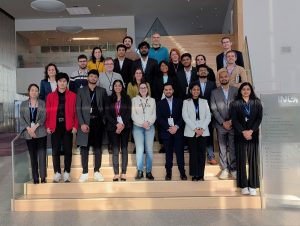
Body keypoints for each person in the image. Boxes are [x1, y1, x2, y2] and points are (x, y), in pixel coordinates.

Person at [230, 82, 262, 196]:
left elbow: (259, 118)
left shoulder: (257, 103)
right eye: (243, 89)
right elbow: (234, 120)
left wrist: (251, 131)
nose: (246, 91)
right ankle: (243, 185)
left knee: (253, 160)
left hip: (253, 134)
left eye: (248, 89)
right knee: (241, 160)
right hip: (240, 134)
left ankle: (253, 185)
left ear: (251, 91)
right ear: (240, 91)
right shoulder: (235, 103)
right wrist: (243, 131)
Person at [46, 72, 78, 183]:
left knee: (68, 150)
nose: (62, 83)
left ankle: (67, 173)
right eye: (60, 81)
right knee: (55, 151)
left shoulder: (73, 96)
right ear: (57, 82)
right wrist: (47, 126)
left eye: (64, 81)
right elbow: (47, 113)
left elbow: (76, 113)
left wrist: (75, 126)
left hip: (68, 126)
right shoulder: (50, 96)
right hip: (55, 126)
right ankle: (57, 173)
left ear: (67, 82)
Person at [76, 69, 107, 182]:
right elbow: (78, 108)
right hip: (85, 123)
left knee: (98, 148)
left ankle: (97, 171)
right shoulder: (81, 91)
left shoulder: (102, 91)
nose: (93, 78)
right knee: (84, 148)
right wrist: (82, 123)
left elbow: (105, 107)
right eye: (91, 76)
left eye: (95, 77)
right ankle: (84, 172)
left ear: (97, 79)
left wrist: (103, 121)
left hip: (98, 122)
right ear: (88, 77)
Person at [210, 70, 238, 179]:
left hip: (233, 124)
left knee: (232, 147)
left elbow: (238, 106)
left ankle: (234, 168)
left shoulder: (236, 91)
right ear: (219, 79)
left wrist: (231, 121)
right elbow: (214, 109)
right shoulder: (214, 92)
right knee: (222, 148)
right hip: (220, 125)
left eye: (225, 76)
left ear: (229, 77)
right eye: (221, 77)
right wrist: (222, 122)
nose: (224, 78)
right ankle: (225, 169)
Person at [156, 83, 187, 181]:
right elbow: (159, 118)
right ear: (164, 91)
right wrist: (169, 127)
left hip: (178, 131)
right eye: (166, 90)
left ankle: (182, 172)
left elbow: (183, 116)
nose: (168, 91)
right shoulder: (160, 103)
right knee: (168, 153)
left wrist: (176, 127)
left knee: (179, 153)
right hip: (166, 132)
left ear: (173, 90)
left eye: (170, 89)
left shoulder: (180, 102)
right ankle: (168, 173)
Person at [182, 82, 211, 181]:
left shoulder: (204, 101)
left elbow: (208, 116)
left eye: (198, 90)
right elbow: (185, 116)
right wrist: (195, 129)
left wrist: (201, 129)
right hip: (191, 131)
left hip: (203, 131)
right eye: (194, 89)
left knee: (202, 153)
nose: (196, 91)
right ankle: (194, 174)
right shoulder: (186, 102)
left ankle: (201, 174)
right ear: (190, 91)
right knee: (193, 153)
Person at [20, 84, 47, 184]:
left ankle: (43, 178)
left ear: (38, 92)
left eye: (36, 90)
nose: (34, 92)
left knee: (42, 155)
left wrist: (34, 127)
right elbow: (22, 118)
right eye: (32, 90)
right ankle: (35, 178)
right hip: (28, 133)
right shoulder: (23, 104)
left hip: (40, 133)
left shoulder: (42, 103)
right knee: (33, 156)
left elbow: (44, 117)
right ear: (29, 91)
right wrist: (29, 130)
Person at [105, 80, 131, 181]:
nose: (118, 87)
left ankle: (123, 172)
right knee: (115, 150)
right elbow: (107, 114)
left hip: (125, 127)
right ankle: (116, 173)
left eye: (119, 85)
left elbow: (128, 113)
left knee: (124, 150)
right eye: (116, 85)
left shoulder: (127, 98)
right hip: (113, 128)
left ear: (122, 87)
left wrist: (122, 125)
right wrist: (117, 124)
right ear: (113, 87)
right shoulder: (109, 98)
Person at [131, 82, 156, 180]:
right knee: (140, 149)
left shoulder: (152, 100)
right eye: (141, 88)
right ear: (138, 89)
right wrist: (143, 123)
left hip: (150, 127)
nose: (143, 89)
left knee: (149, 150)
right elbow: (133, 114)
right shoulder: (134, 100)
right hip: (138, 126)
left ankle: (149, 171)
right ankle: (140, 171)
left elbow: (154, 114)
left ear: (147, 89)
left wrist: (148, 123)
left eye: (144, 87)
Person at [195, 64, 218, 165]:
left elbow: (215, 99)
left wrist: (213, 112)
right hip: (196, 114)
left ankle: (210, 155)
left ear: (208, 73)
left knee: (209, 135)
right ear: (197, 73)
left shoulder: (212, 84)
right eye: (201, 70)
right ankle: (199, 156)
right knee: (197, 134)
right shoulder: (193, 84)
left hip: (209, 114)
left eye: (205, 70)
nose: (203, 72)